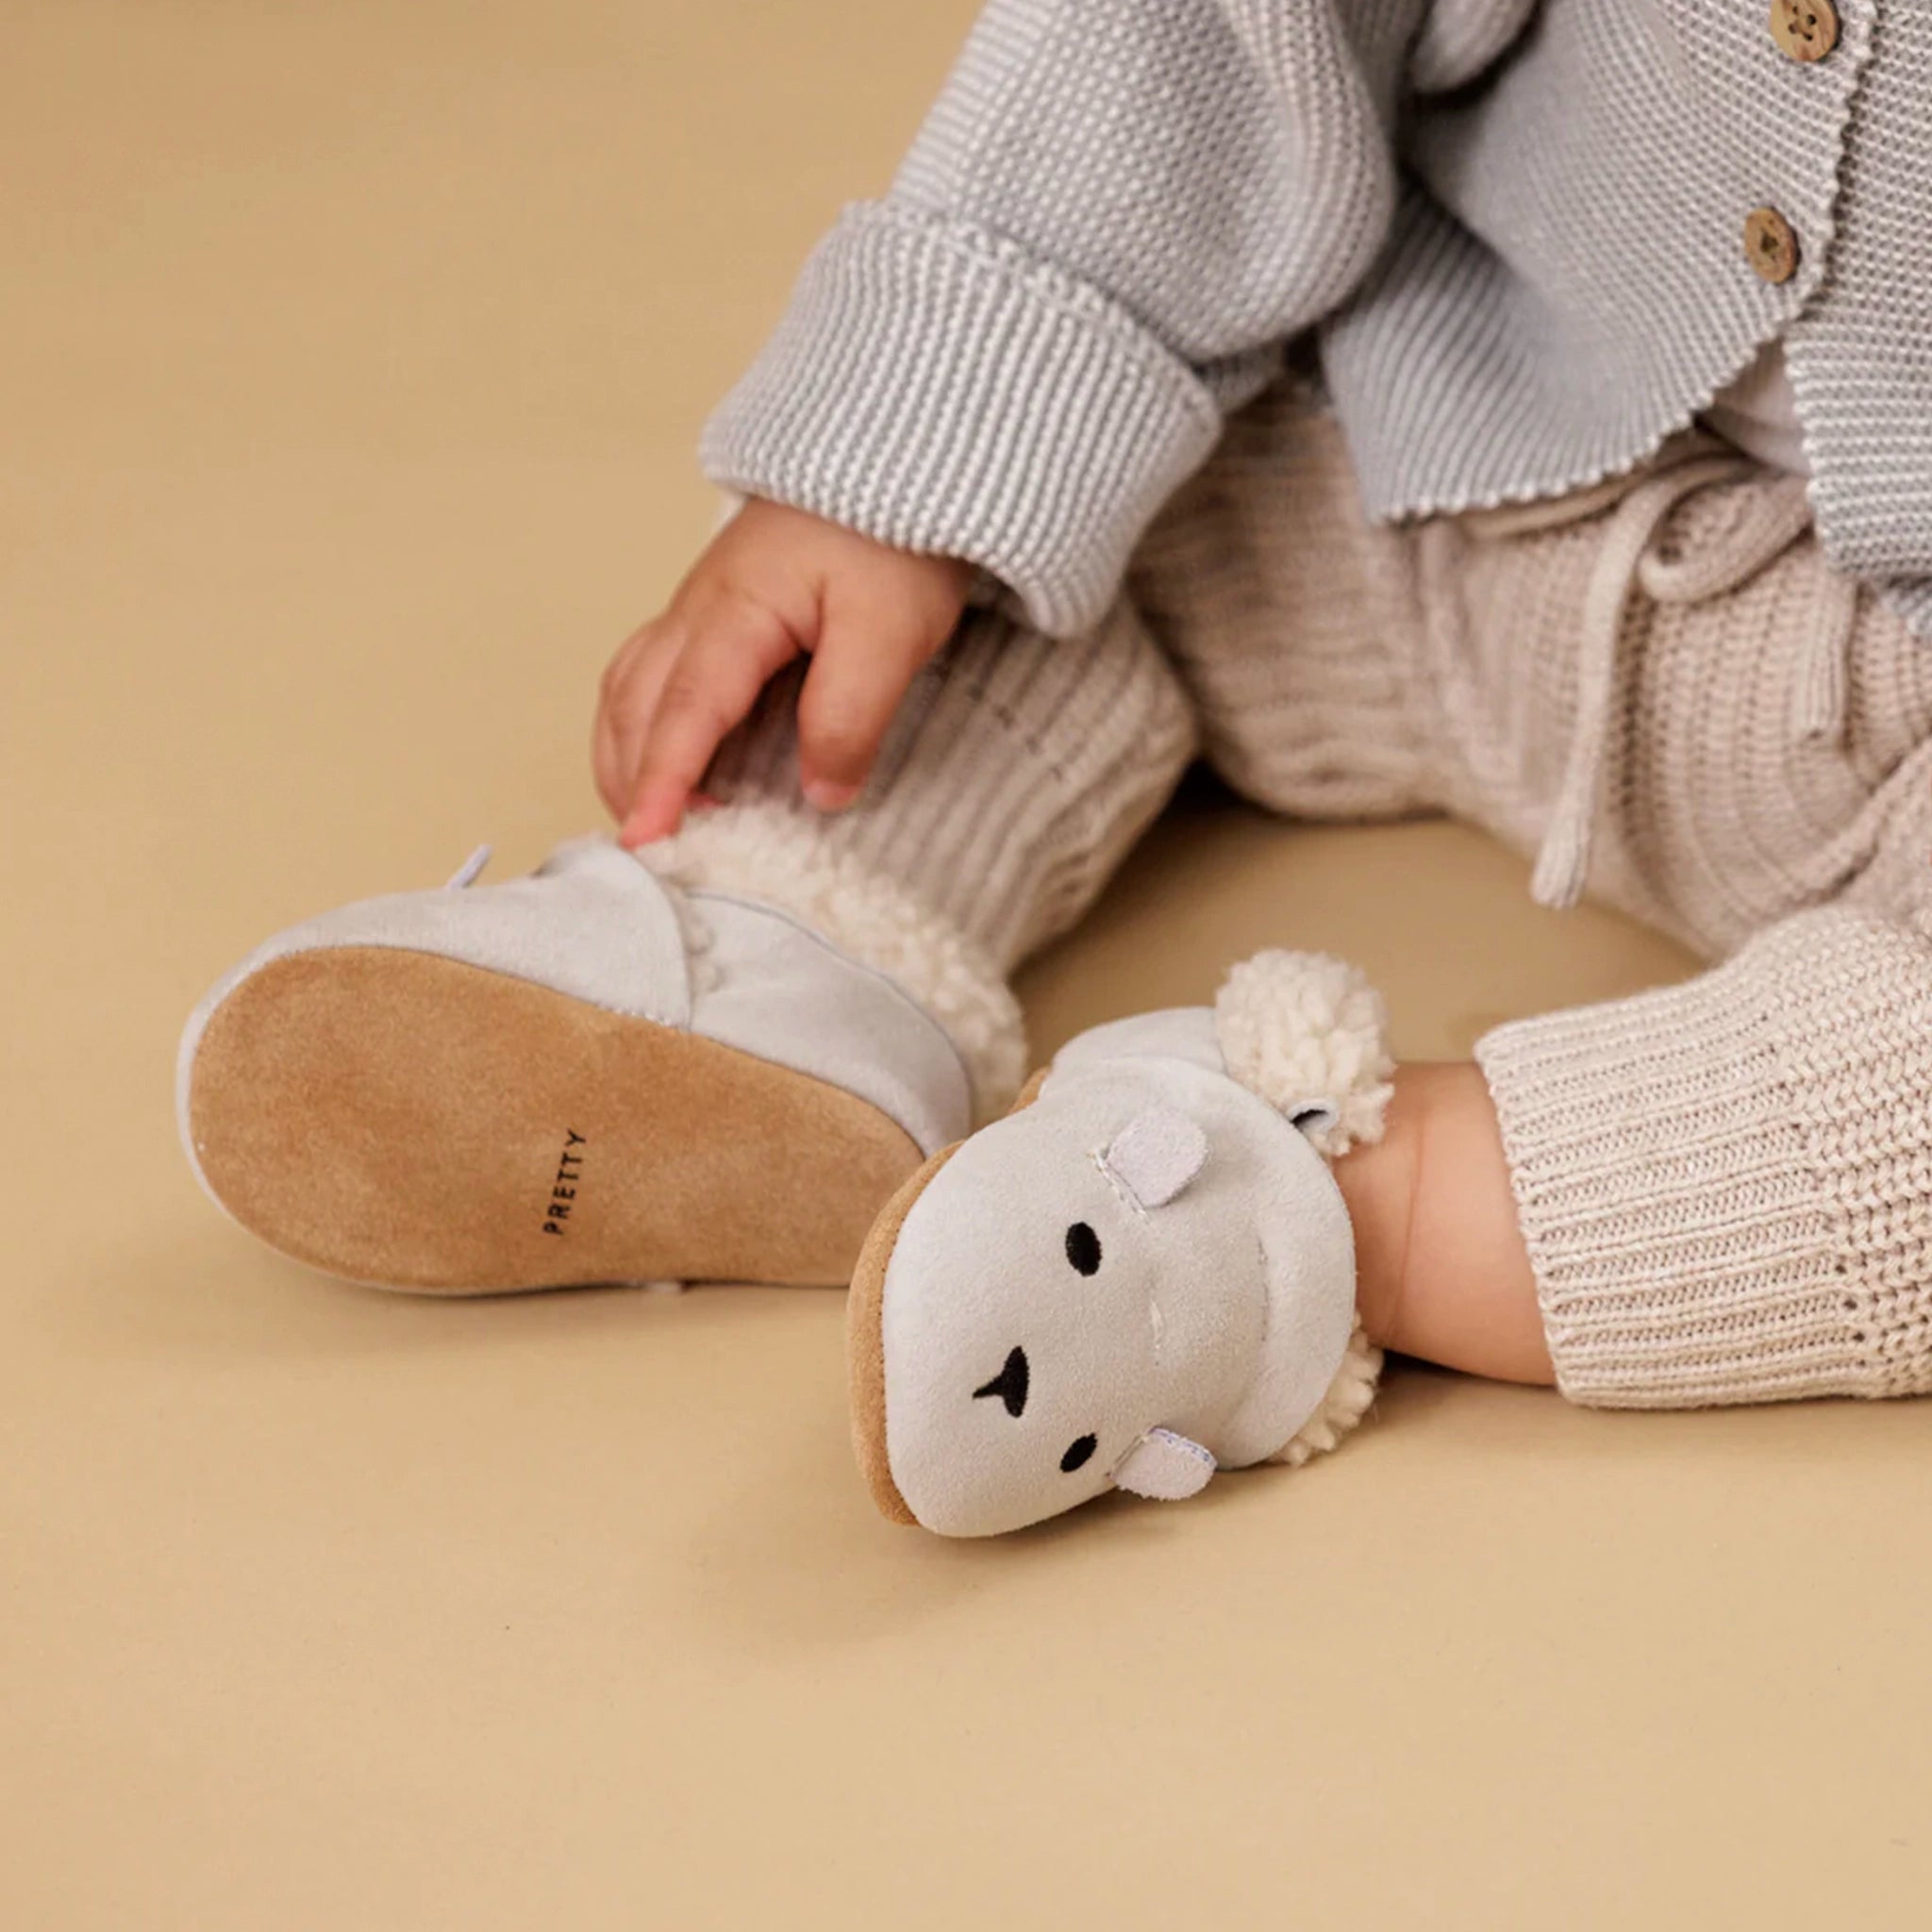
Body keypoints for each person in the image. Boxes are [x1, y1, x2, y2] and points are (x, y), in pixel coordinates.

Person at [184, 0, 1932, 1411]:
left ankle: (1307, 1214)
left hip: (1896, 720)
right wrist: (920, 439)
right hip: (1471, 448)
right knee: (1025, 490)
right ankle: (789, 963)